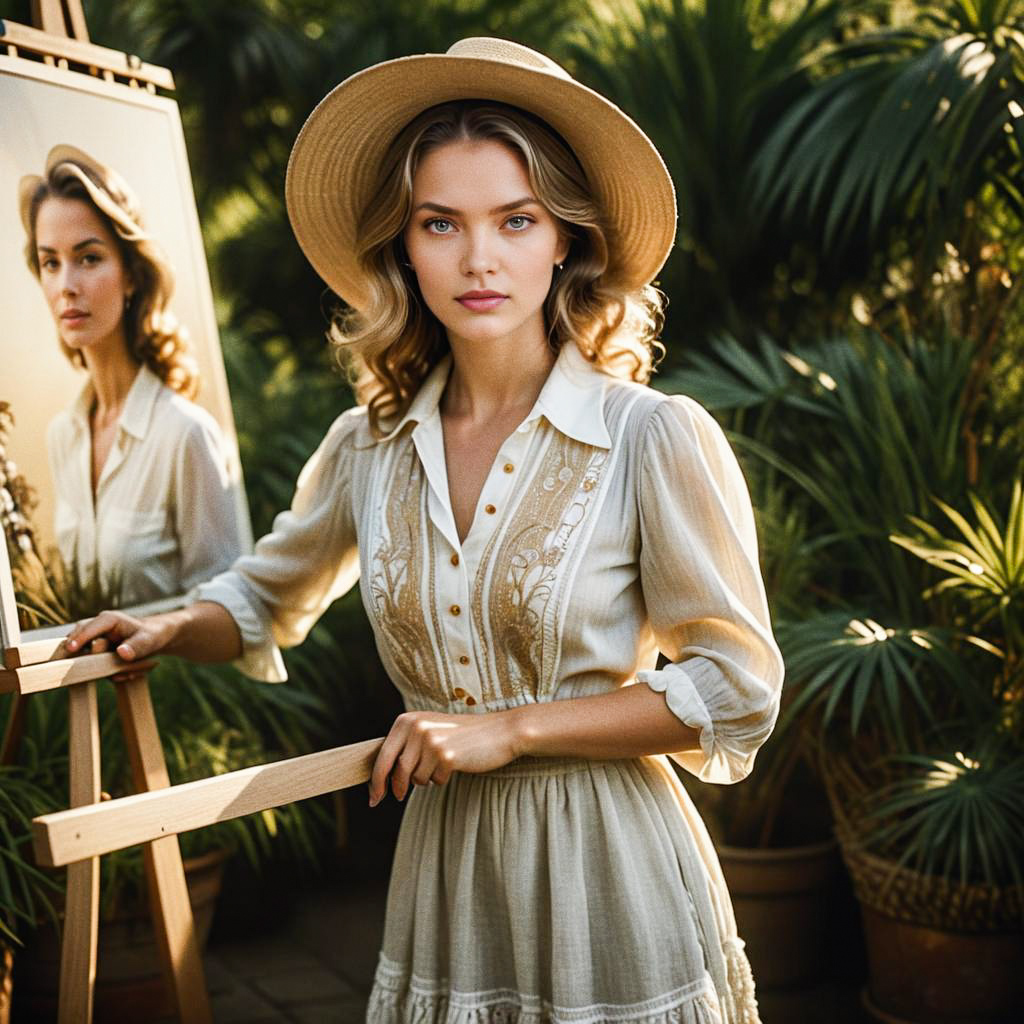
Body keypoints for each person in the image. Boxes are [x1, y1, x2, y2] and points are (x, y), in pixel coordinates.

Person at [67, 39, 784, 1024]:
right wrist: (162, 627)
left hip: (606, 870)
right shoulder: (370, 446)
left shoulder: (650, 437)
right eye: (439, 223)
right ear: (402, 246)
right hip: (448, 875)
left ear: (565, 239)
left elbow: (735, 688)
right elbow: (261, 596)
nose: (477, 258)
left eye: (515, 220)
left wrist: (509, 729)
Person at [19, 145, 247, 609]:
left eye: (88, 258)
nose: (66, 285)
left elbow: (229, 615)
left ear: (130, 276)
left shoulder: (186, 435)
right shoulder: (64, 436)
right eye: (50, 262)